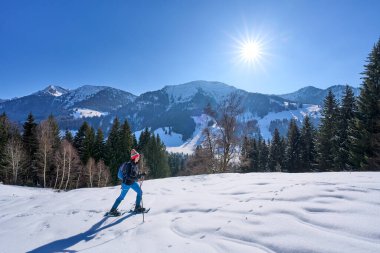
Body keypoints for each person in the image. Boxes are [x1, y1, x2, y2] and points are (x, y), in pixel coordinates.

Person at [109, 149, 146, 216]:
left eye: (139, 157)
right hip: (126, 184)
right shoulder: (129, 165)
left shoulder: (135, 165)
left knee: (140, 192)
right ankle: (112, 210)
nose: (139, 158)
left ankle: (137, 207)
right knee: (121, 197)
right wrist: (137, 177)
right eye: (138, 157)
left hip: (132, 183)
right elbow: (128, 176)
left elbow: (134, 175)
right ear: (134, 157)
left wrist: (141, 175)